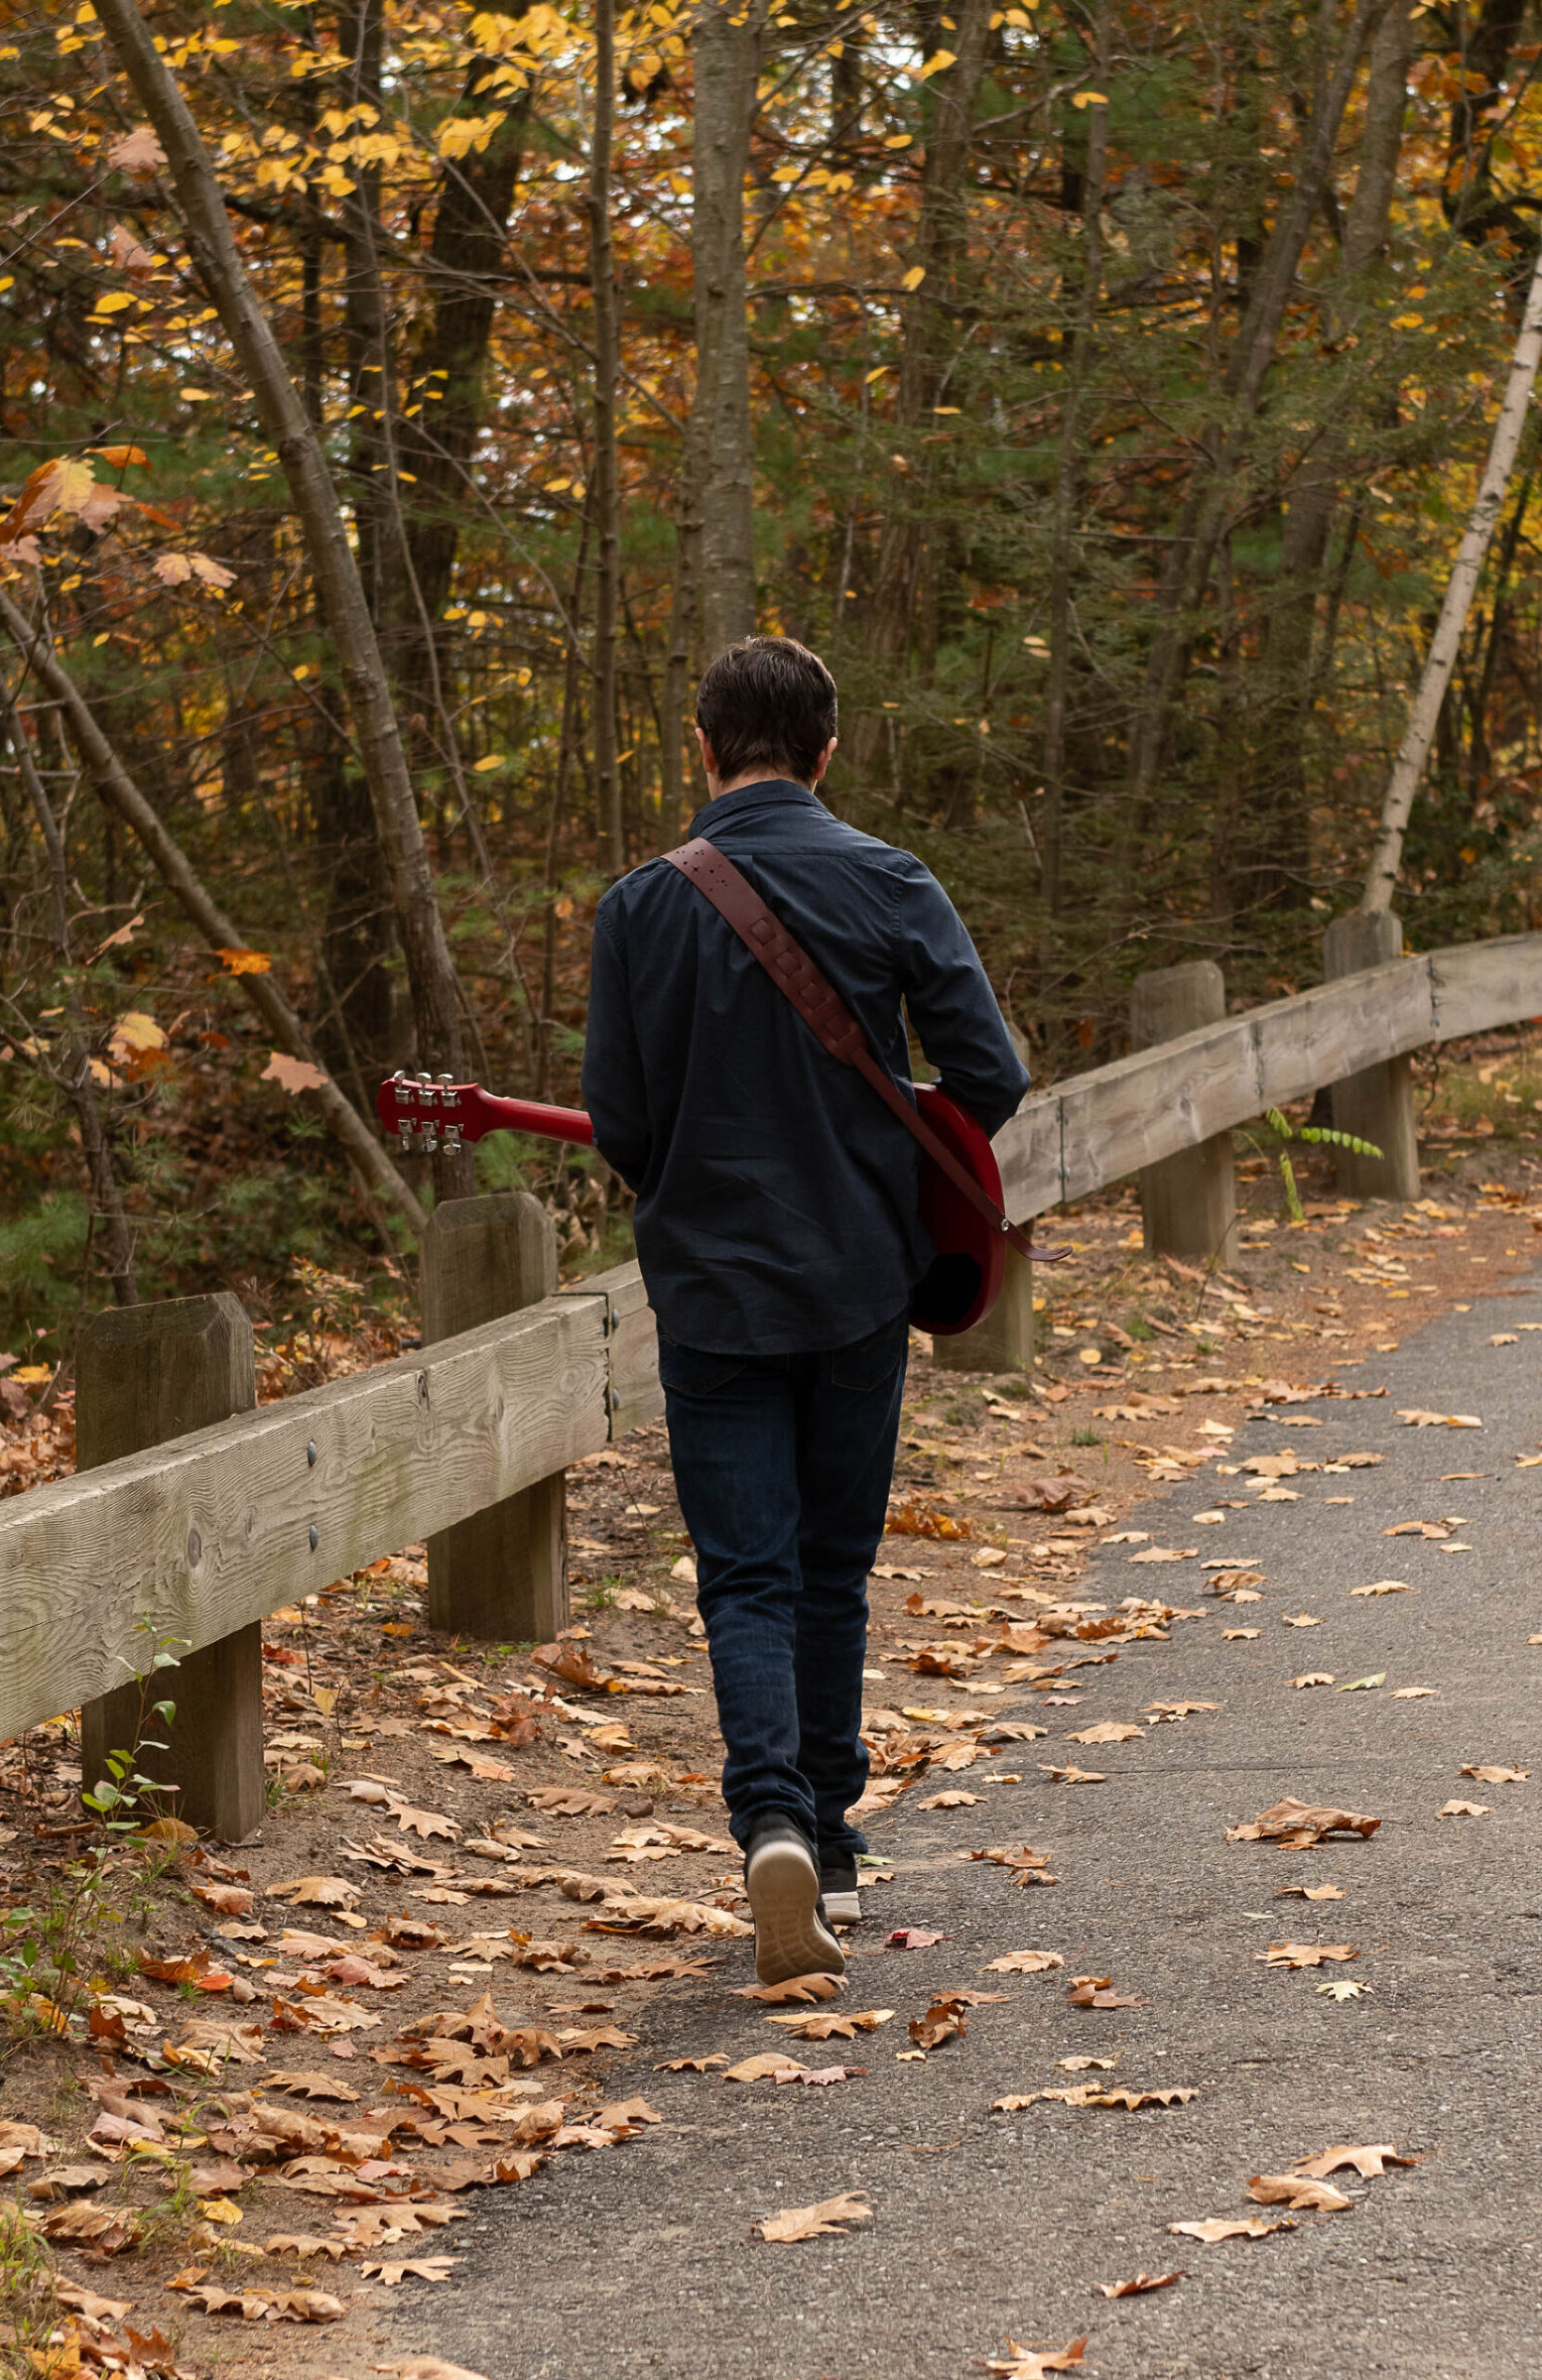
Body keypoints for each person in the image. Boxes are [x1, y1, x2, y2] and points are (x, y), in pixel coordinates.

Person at [581, 636, 1028, 1982]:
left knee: (747, 1577)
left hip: (713, 1292)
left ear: (702, 746)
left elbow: (620, 1120)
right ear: (830, 752)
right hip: (854, 1284)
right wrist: (883, 1165)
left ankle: (770, 1817)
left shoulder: (639, 909)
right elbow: (987, 1075)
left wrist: (700, 1184)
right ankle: (826, 1838)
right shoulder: (890, 879)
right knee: (834, 1570)